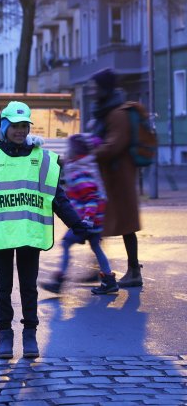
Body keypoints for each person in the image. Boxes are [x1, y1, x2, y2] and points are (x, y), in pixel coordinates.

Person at [0, 101, 89, 359]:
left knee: (29, 287)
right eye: (14, 126)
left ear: (29, 127)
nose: (20, 130)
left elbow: (57, 198)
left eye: (24, 125)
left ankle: (30, 335)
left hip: (29, 234)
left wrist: (77, 224)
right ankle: (5, 334)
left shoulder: (42, 159)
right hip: (1, 235)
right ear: (4, 127)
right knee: (3, 287)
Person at [40, 134, 119, 295]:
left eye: (69, 149)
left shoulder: (79, 172)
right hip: (93, 221)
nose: (67, 152)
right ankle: (109, 280)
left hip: (85, 222)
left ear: (75, 151)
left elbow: (91, 198)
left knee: (66, 244)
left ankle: (59, 281)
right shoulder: (84, 168)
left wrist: (88, 219)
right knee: (96, 247)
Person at [88, 68, 144, 288]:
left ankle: (133, 271)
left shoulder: (117, 113)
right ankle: (98, 266)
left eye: (95, 87)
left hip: (120, 177)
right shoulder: (105, 111)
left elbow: (114, 145)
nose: (92, 91)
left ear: (105, 88)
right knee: (103, 222)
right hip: (110, 177)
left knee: (125, 225)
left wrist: (91, 152)